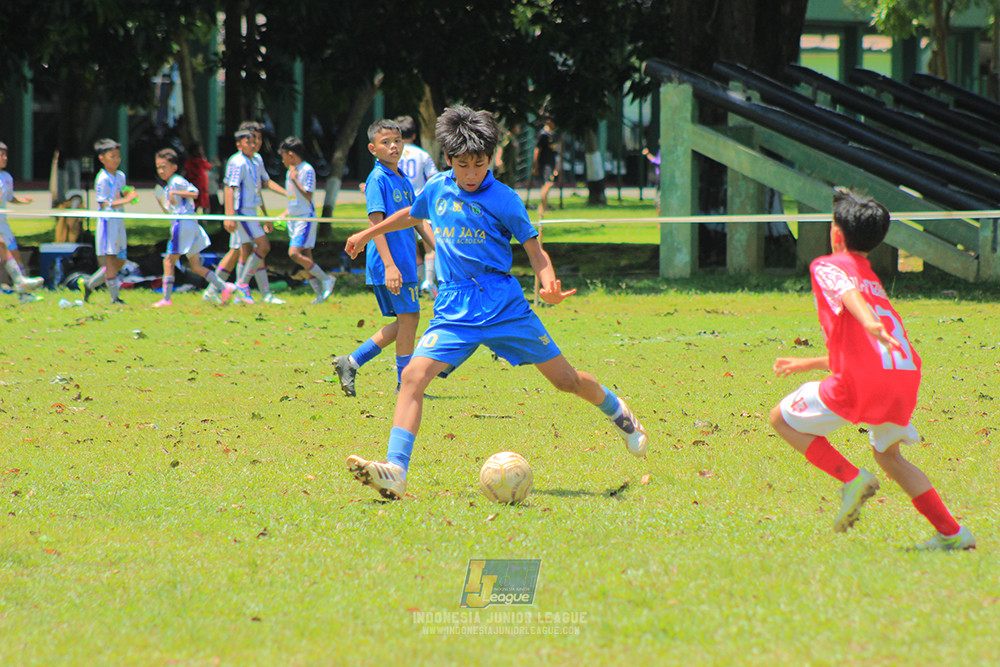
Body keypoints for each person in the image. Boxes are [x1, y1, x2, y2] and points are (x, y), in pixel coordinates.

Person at [342, 106, 649, 500]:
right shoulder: (437, 187)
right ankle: (396, 470)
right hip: (454, 309)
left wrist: (548, 283)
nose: (471, 174)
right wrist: (370, 232)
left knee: (565, 381)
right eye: (463, 166)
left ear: (490, 160)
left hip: (504, 306)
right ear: (448, 160)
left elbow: (535, 250)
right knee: (413, 379)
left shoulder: (504, 198)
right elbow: (411, 214)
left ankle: (617, 411)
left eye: (480, 165)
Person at [769, 187, 975, 551]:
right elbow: (865, 348)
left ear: (835, 233)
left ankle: (851, 479)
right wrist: (810, 363)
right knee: (889, 456)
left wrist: (868, 322)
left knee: (780, 420)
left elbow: (848, 293)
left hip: (865, 382)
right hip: (903, 376)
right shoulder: (871, 276)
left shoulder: (828, 266)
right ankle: (953, 534)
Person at [332, 119, 433, 398]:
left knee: (406, 320)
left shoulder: (401, 178)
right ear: (372, 148)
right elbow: (375, 226)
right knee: (409, 318)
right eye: (386, 142)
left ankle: (350, 362)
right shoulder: (378, 179)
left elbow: (416, 219)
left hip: (405, 261)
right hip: (390, 262)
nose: (393, 146)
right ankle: (406, 386)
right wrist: (389, 265)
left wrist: (440, 248)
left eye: (397, 141)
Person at [151, 148, 235, 307]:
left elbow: (194, 193)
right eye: (158, 167)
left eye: (164, 166)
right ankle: (224, 287)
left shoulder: (176, 181)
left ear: (174, 167)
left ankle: (166, 299)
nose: (161, 170)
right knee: (196, 266)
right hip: (187, 225)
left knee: (169, 261)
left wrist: (175, 191)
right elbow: (170, 210)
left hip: (183, 225)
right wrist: (160, 200)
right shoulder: (170, 185)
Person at [223, 122, 288, 305]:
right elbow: (230, 187)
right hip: (242, 213)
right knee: (262, 247)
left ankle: (261, 293)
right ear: (240, 143)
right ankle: (240, 286)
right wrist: (230, 215)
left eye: (257, 140)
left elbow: (263, 186)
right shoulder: (237, 162)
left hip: (253, 213)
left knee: (251, 252)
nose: (255, 144)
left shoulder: (257, 160)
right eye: (250, 140)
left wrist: (286, 196)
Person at [78, 138, 138, 304]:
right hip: (107, 221)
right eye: (112, 156)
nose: (117, 160)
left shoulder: (120, 176)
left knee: (120, 260)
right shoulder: (102, 178)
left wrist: (128, 195)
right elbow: (104, 203)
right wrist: (126, 200)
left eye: (118, 156)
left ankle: (90, 284)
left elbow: (121, 193)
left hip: (119, 221)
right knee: (110, 259)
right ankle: (114, 297)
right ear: (102, 158)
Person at [277, 136, 335, 304]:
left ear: (291, 155)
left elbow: (308, 195)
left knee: (294, 253)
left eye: (283, 156)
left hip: (305, 218)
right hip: (294, 218)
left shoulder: (306, 170)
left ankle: (326, 279)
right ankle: (319, 293)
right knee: (306, 256)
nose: (282, 160)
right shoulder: (290, 171)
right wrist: (286, 213)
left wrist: (295, 180)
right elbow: (293, 199)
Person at [395, 115, 439, 297]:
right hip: (421, 206)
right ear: (414, 135)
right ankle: (429, 281)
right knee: (430, 246)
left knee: (412, 249)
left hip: (399, 208)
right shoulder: (422, 154)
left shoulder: (393, 154)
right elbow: (434, 179)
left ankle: (422, 283)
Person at [0, 142, 45, 301]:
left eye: (5, 155)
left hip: (3, 223)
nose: (4, 158)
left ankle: (23, 292)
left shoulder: (6, 178)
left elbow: (10, 197)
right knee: (2, 246)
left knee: (13, 254)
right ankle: (20, 283)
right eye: (1, 155)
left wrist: (23, 201)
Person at [532, 116, 558, 213]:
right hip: (544, 163)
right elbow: (537, 150)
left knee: (547, 184)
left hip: (551, 162)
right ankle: (543, 206)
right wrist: (535, 165)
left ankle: (543, 206)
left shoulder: (552, 135)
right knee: (548, 183)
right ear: (548, 121)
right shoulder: (543, 135)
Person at [184, 143, 212, 214]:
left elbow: (185, 171)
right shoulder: (201, 161)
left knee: (194, 203)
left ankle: (193, 216)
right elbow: (209, 167)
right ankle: (204, 220)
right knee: (205, 204)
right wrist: (203, 157)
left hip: (193, 184)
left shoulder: (188, 162)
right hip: (201, 185)